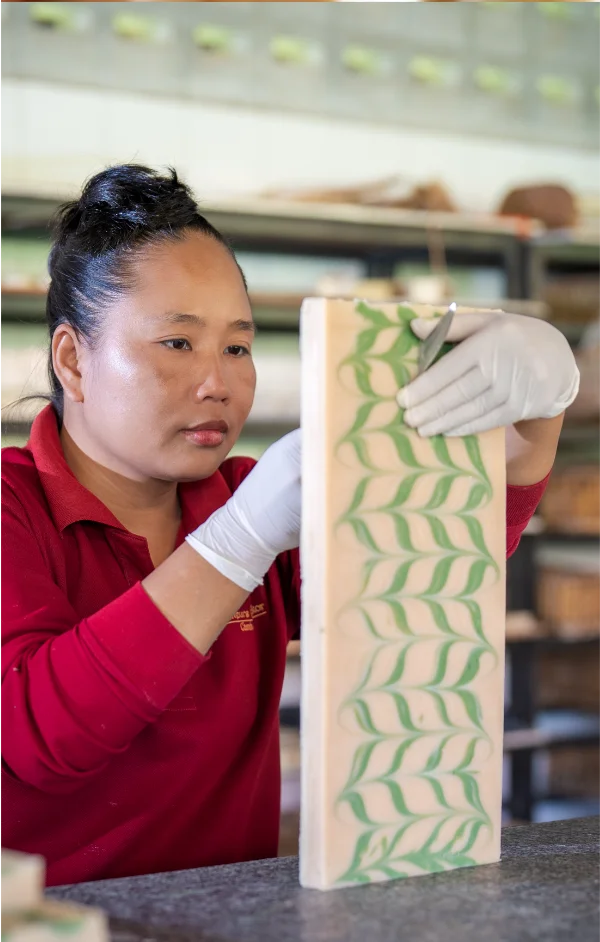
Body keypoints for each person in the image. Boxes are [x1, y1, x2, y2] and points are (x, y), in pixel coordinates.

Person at [0, 165, 579, 887]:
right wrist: (236, 543)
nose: (218, 381)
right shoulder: (12, 509)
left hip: (238, 919)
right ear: (72, 359)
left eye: (237, 347)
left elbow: (432, 562)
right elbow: (37, 735)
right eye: (177, 344)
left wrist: (539, 414)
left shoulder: (244, 496)